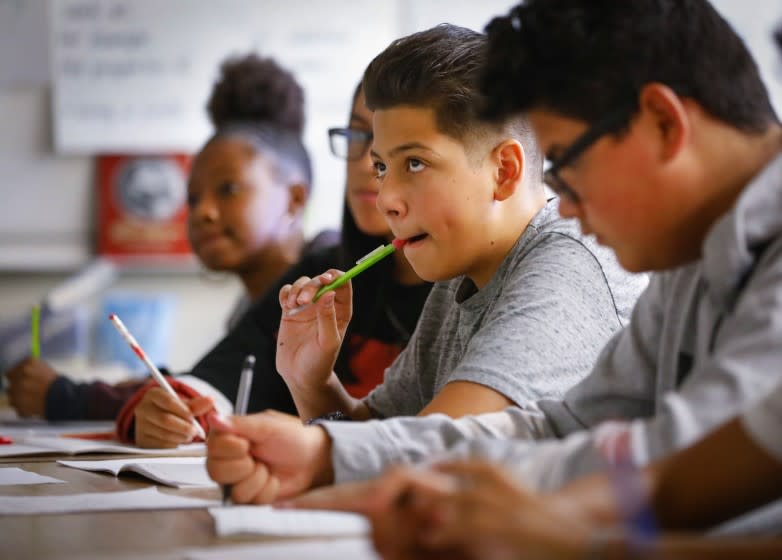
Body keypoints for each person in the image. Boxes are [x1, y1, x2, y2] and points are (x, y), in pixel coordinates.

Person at [204, 0, 782, 513]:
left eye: (564, 163)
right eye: (380, 166)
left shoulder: (583, 258)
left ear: (662, 122)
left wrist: (564, 539)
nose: (568, 206)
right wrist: (326, 447)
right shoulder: (688, 261)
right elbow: (564, 429)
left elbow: (688, 460)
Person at [4, 53, 322, 421]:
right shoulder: (246, 310)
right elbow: (209, 383)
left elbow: (208, 397)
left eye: (228, 189)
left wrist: (66, 397)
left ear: (294, 199)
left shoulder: (326, 284)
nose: (203, 212)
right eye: (192, 198)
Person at [117, 83, 433, 447]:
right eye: (358, 135)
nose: (367, 164)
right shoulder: (321, 277)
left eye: (403, 149)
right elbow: (220, 377)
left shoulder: (471, 289)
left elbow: (436, 446)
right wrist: (173, 409)